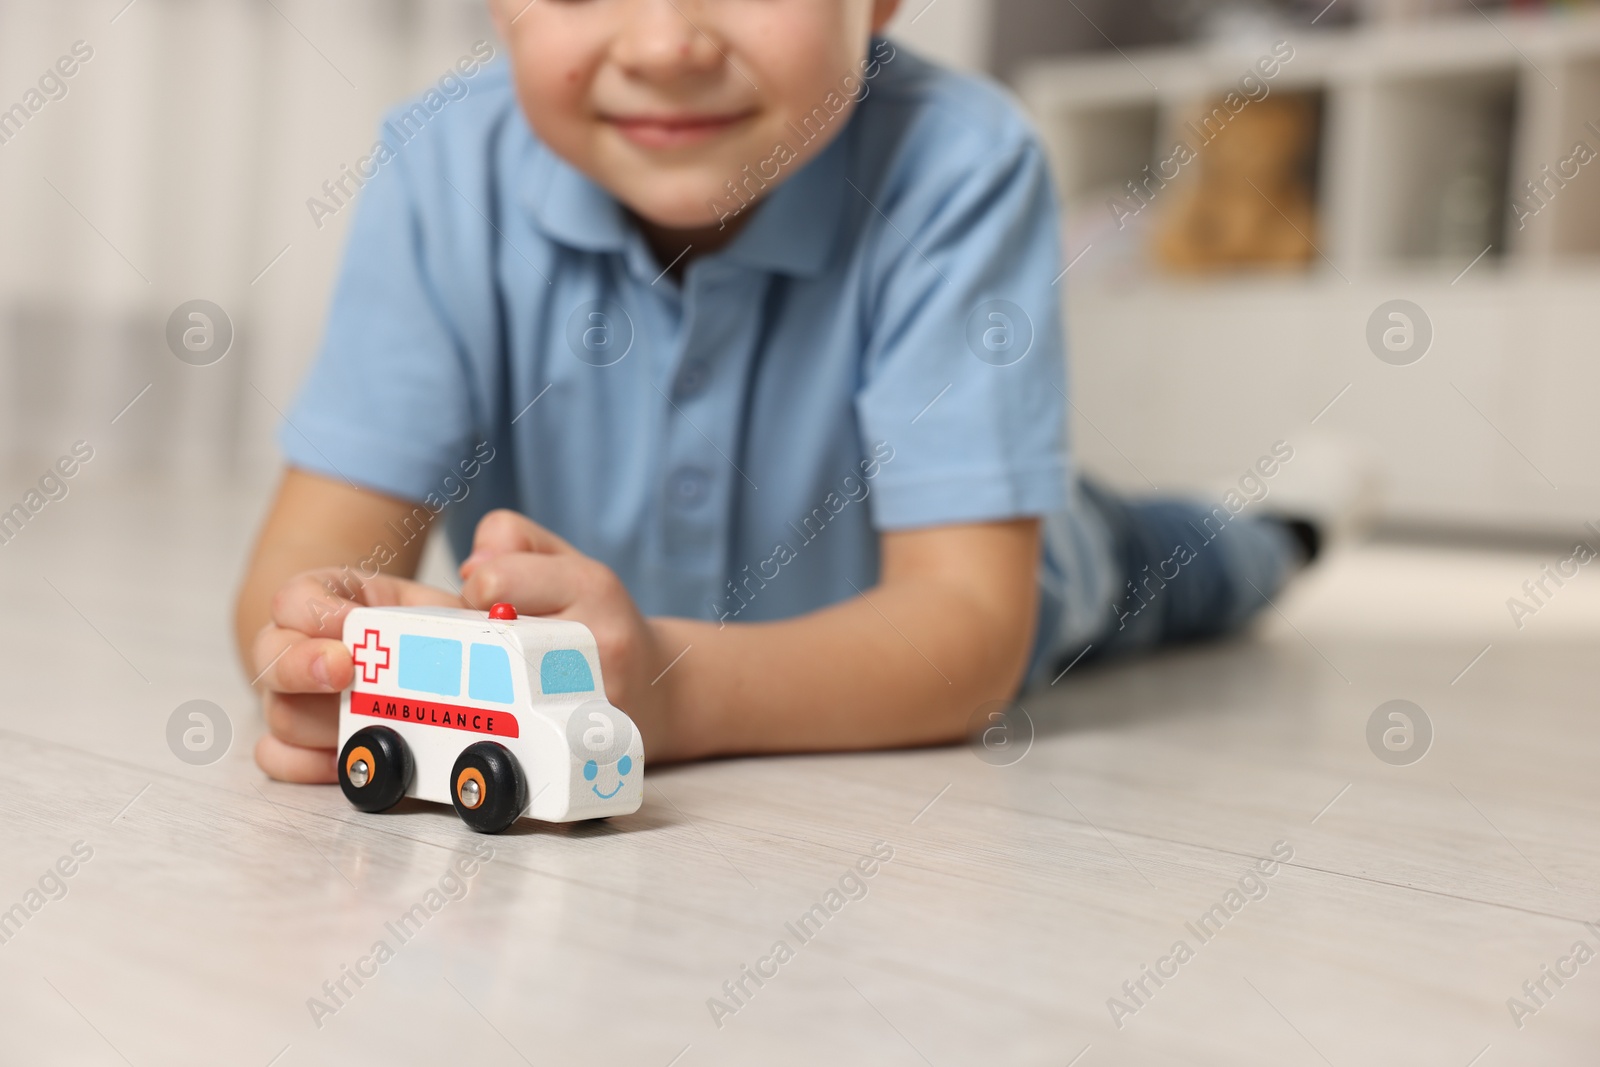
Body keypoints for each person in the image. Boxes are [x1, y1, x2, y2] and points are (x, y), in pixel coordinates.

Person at [234, 0, 1312, 783]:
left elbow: (972, 626)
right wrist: (332, 657)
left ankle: (1286, 522)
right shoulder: (439, 169)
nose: (664, 45)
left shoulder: (961, 163)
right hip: (633, 642)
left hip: (1012, 574)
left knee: (1161, 563)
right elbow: (298, 575)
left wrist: (678, 688)